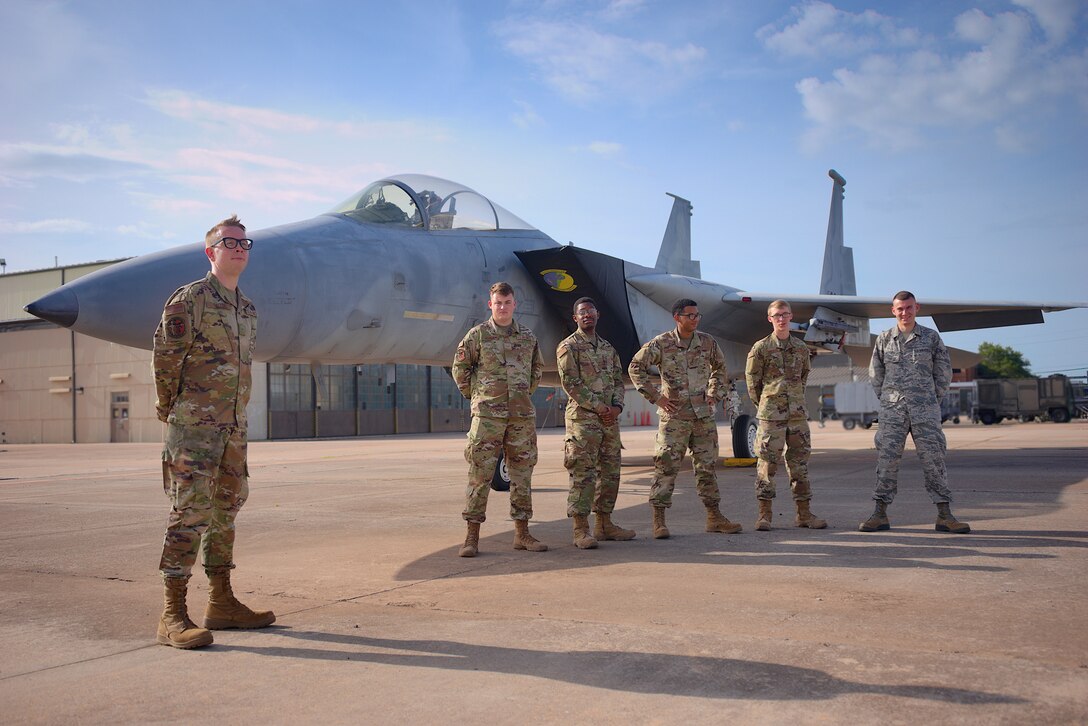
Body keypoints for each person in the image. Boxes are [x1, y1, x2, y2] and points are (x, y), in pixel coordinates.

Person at [153, 215, 275, 649]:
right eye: (230, 243)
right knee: (190, 513)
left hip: (233, 428)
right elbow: (166, 360)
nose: (240, 249)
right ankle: (172, 614)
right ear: (212, 252)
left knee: (227, 509)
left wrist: (235, 420)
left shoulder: (247, 308)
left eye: (245, 243)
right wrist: (174, 411)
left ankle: (221, 602)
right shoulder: (190, 301)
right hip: (194, 429)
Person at [629, 298, 742, 539]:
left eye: (697, 315)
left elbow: (721, 369)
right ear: (677, 317)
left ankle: (714, 517)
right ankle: (658, 521)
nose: (695, 319)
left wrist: (714, 394)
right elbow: (635, 367)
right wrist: (657, 398)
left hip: (702, 418)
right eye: (690, 315)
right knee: (666, 466)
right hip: (674, 418)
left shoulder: (707, 343)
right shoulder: (662, 343)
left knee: (707, 468)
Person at [859, 291, 971, 534]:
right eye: (900, 309)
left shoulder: (930, 338)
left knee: (934, 460)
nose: (904, 313)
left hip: (925, 411)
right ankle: (879, 514)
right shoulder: (885, 339)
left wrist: (930, 400)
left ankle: (945, 515)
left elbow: (943, 373)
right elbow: (875, 375)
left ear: (916, 308)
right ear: (893, 310)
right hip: (892, 413)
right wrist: (889, 401)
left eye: (909, 308)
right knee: (886, 462)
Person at [452, 281, 547, 556]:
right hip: (487, 417)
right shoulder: (478, 335)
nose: (503, 307)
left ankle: (522, 534)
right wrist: (478, 396)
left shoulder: (528, 337)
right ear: (490, 304)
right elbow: (460, 367)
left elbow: (536, 369)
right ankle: (471, 538)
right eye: (498, 302)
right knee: (479, 475)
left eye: (507, 302)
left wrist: (521, 395)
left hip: (520, 417)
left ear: (514, 304)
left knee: (521, 475)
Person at [557, 297, 636, 549]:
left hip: (609, 421)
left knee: (610, 473)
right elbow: (571, 384)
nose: (587, 315)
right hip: (583, 421)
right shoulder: (568, 347)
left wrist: (617, 407)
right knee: (583, 474)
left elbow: (617, 381)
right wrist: (600, 407)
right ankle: (581, 529)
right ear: (575, 318)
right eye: (582, 312)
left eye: (591, 311)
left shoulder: (607, 348)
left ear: (598, 315)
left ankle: (605, 524)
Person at [745, 300, 827, 531]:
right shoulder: (760, 348)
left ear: (791, 317)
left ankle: (804, 514)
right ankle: (764, 515)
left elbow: (803, 377)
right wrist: (768, 404)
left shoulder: (801, 348)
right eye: (776, 315)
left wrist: (793, 401)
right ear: (769, 319)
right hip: (771, 416)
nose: (781, 319)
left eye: (785, 314)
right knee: (767, 465)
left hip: (797, 416)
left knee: (799, 465)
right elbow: (753, 383)